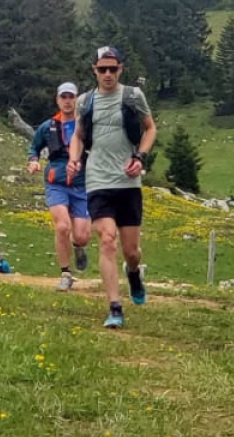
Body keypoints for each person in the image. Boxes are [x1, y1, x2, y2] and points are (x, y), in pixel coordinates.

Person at [66, 45, 155, 330]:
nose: (107, 74)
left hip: (127, 181)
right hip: (98, 180)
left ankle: (133, 273)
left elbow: (150, 128)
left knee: (132, 251)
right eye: (102, 69)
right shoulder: (85, 101)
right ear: (94, 70)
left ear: (120, 69)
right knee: (107, 240)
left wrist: (140, 157)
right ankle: (115, 307)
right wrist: (74, 159)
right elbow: (78, 136)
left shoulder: (133, 96)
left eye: (112, 69)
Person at [27, 80, 91, 290]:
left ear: (76, 100)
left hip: (82, 184)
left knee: (82, 236)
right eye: (63, 97)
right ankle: (65, 273)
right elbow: (34, 147)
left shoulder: (86, 125)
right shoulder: (48, 127)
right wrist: (33, 161)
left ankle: (78, 246)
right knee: (62, 226)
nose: (67, 101)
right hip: (56, 182)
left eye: (71, 97)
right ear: (57, 100)